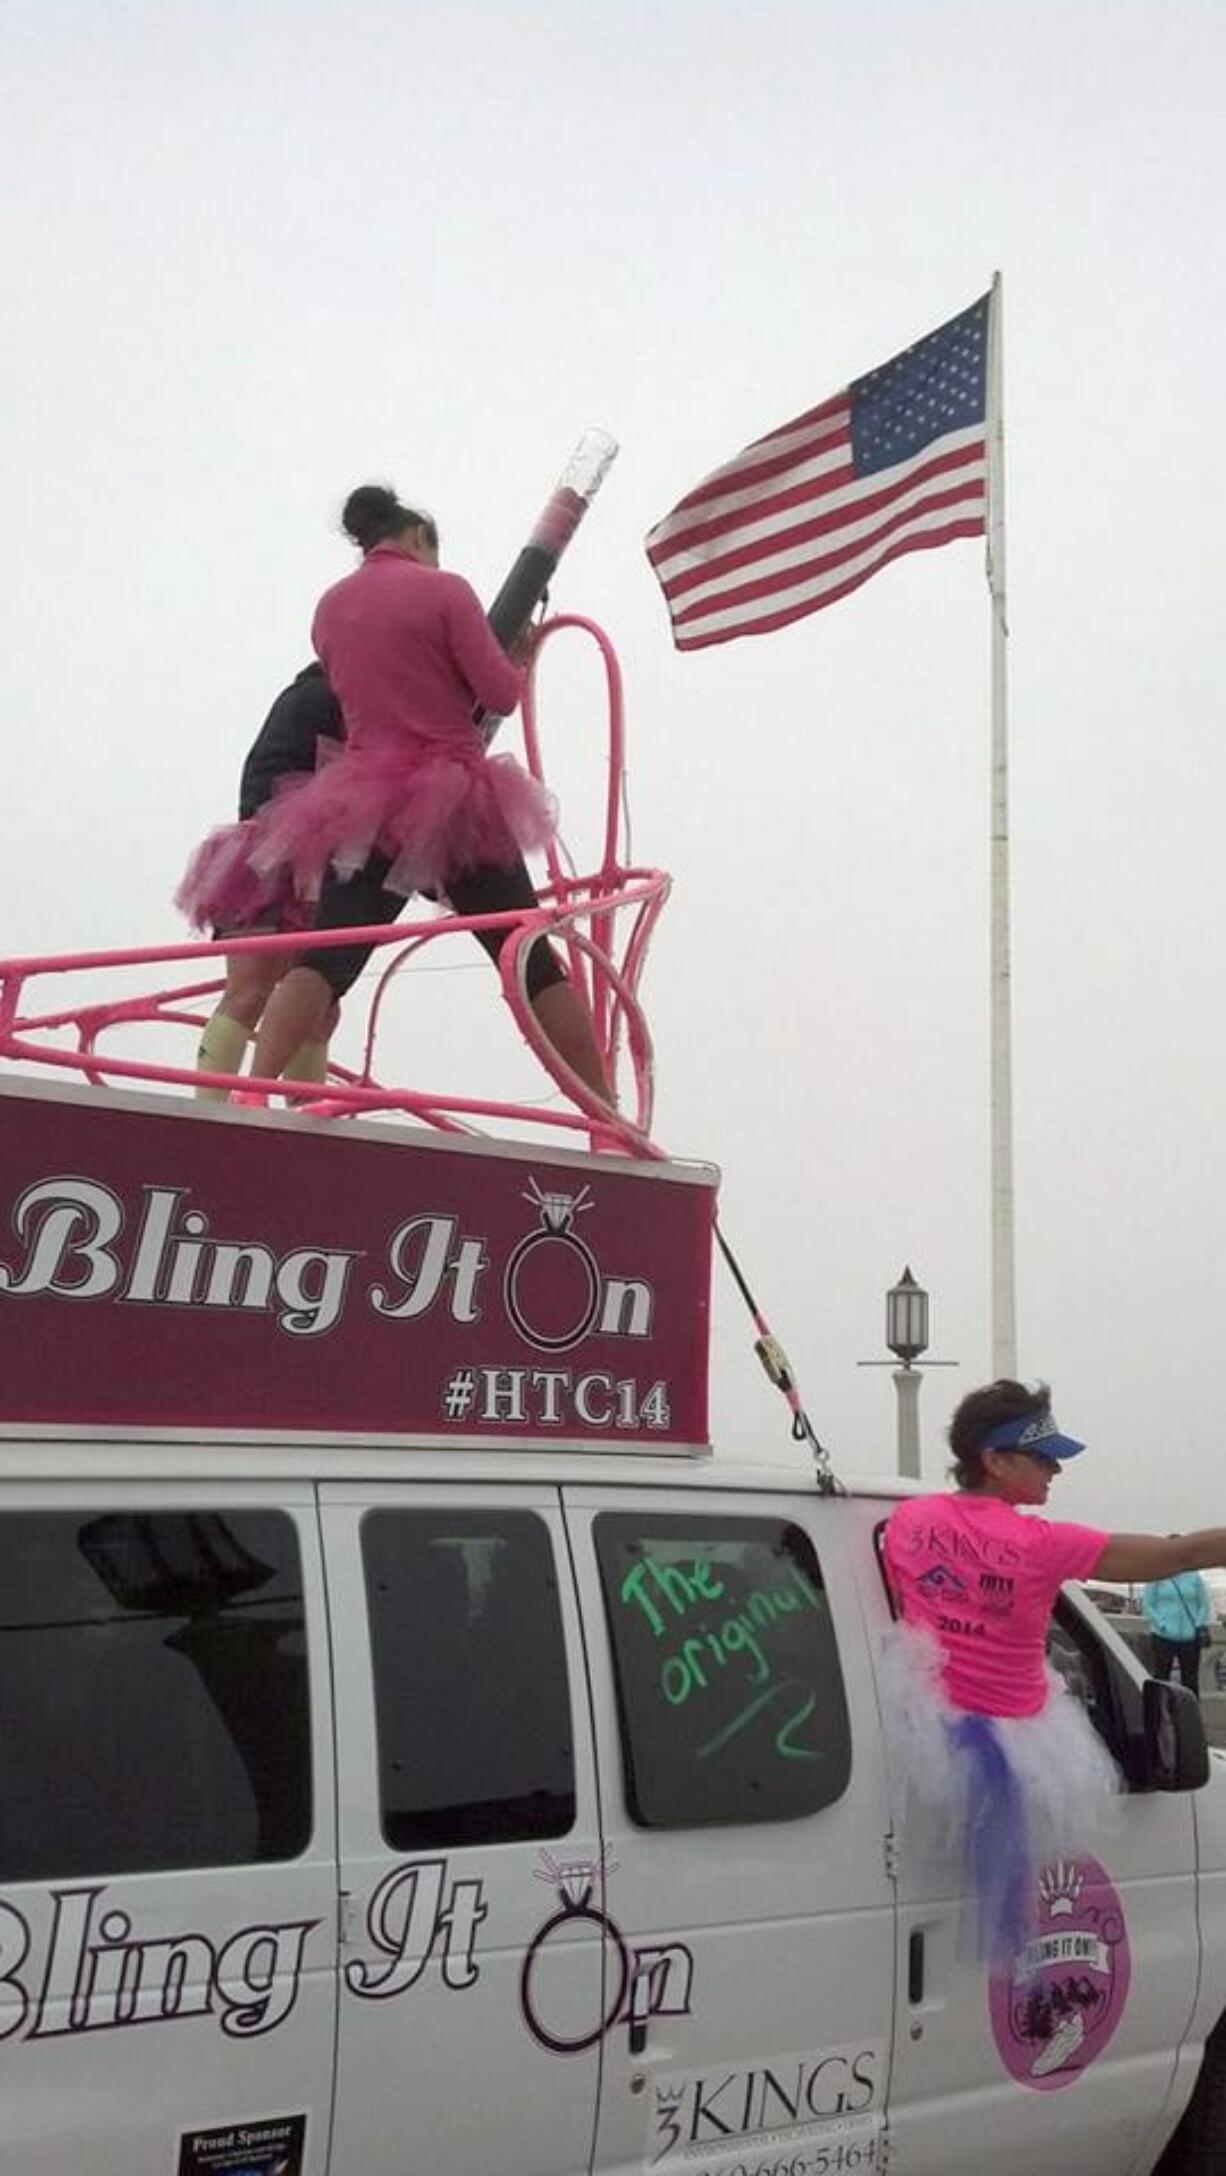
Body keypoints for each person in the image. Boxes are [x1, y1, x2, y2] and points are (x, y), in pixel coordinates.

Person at [182, 485, 611, 1106]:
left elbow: (367, 694)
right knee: (529, 957)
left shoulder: (328, 609)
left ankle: (248, 1095)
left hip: (365, 806)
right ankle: (604, 1110)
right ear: (416, 537)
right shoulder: (447, 591)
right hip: (455, 795)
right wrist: (511, 658)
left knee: (323, 965)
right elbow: (498, 694)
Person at [881, 1378, 1226, 1960]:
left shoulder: (910, 1520)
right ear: (993, 1459)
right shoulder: (1044, 1544)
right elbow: (1182, 1554)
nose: (1055, 1472)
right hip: (1018, 1744)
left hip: (920, 1734)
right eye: (1043, 1458)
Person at [177, 664, 344, 1099]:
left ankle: (301, 1119)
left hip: (303, 860)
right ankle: (211, 1111)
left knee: (315, 1006)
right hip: (272, 859)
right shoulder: (326, 698)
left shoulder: (321, 697)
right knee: (254, 991)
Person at [1142, 1558, 1212, 1695]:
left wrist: (1197, 1624)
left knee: (1190, 1680)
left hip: (1190, 1638)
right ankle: (1159, 1711)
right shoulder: (1156, 1576)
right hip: (1162, 1636)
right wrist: (1161, 1624)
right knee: (1161, 1678)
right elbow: (1147, 1604)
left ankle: (1191, 1713)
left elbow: (1203, 1604)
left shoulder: (1194, 1577)